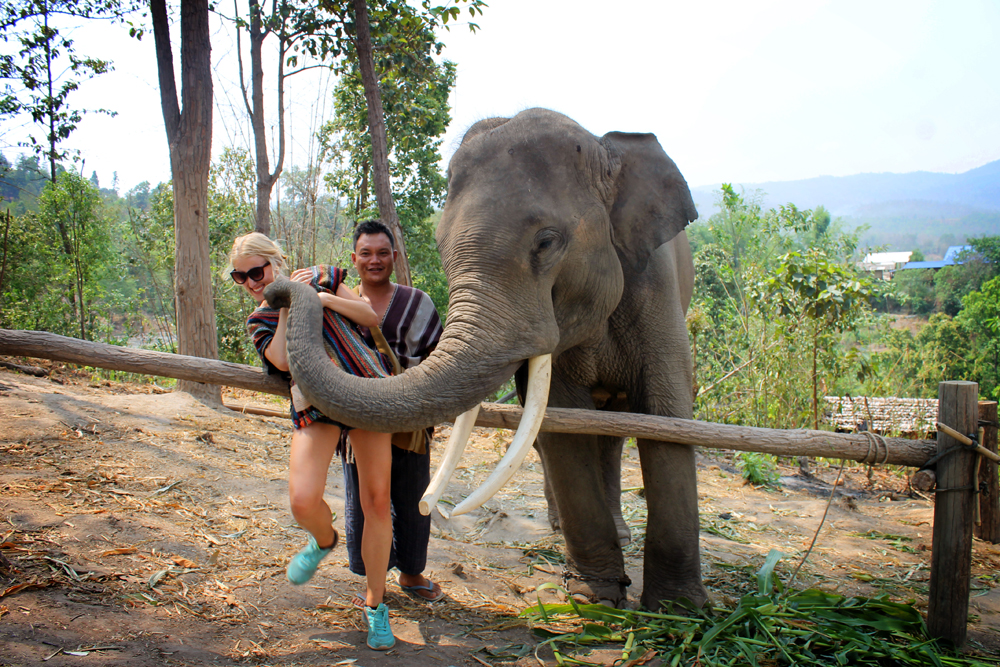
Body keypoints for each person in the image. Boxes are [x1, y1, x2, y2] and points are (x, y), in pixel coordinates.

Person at [226, 232, 396, 651]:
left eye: (257, 271)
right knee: (303, 501)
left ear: (275, 262)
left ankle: (376, 605)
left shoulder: (321, 276)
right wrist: (287, 305)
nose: (250, 281)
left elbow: (369, 315)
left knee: (377, 501)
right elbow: (281, 360)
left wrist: (319, 299)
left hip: (366, 390)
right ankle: (324, 539)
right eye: (240, 276)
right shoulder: (259, 320)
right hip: (314, 404)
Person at [342, 219, 446, 603]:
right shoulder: (343, 301)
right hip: (360, 418)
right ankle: (375, 584)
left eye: (382, 253)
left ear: (394, 257)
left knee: (413, 494)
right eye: (366, 253)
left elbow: (440, 356)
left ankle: (412, 574)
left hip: (411, 415)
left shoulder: (419, 303)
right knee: (367, 500)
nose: (375, 260)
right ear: (354, 259)